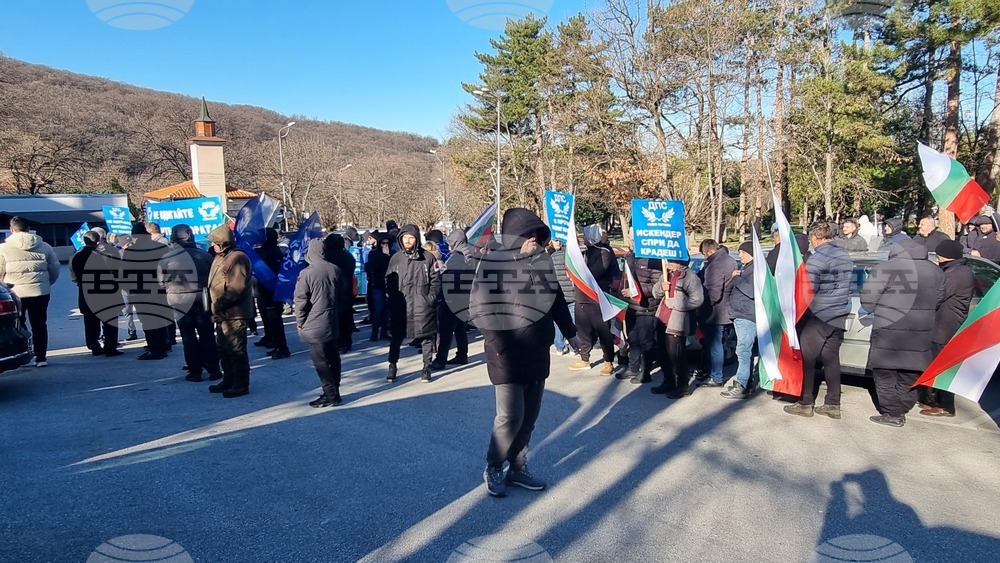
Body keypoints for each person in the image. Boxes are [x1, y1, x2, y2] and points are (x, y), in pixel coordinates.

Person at [470, 208, 579, 498]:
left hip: (537, 352)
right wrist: (499, 345)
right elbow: (479, 310)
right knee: (510, 417)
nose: (533, 239)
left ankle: (517, 467)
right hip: (506, 356)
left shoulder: (543, 262)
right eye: (527, 234)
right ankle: (494, 466)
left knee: (529, 417)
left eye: (537, 234)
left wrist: (572, 335)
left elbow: (556, 302)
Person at [861, 240, 944, 427]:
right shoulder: (936, 271)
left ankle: (893, 413)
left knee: (884, 373)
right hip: (921, 331)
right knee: (910, 373)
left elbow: (868, 300)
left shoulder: (886, 268)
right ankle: (903, 407)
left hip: (889, 331)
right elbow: (939, 299)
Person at [784, 222, 853, 419]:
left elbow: (807, 291)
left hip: (819, 316)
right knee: (831, 360)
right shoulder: (843, 255)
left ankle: (806, 403)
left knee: (808, 360)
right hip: (839, 312)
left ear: (815, 238)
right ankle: (833, 403)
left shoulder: (816, 260)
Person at [158, 224, 221, 382]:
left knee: (188, 337)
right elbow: (213, 279)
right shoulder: (205, 255)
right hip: (202, 298)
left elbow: (160, 283)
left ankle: (195, 371)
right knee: (207, 335)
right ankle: (214, 369)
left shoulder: (166, 258)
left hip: (178, 300)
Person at [919, 240, 975, 417]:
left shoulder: (956, 273)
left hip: (946, 326)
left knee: (943, 366)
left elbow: (938, 294)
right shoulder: (954, 270)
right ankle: (932, 398)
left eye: (939, 255)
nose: (937, 258)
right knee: (936, 363)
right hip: (943, 324)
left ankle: (946, 404)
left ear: (947, 256)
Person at [0, 217, 60, 367]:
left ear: (11, 229)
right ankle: (41, 357)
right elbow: (54, 268)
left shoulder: (3, 248)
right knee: (40, 324)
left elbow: (0, 270)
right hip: (40, 291)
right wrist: (47, 283)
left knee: (18, 323)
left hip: (14, 292)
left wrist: (4, 287)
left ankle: (25, 351)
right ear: (28, 228)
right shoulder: (45, 246)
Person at [386, 224, 440, 383]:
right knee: (396, 337)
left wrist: (430, 299)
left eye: (411, 237)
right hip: (401, 307)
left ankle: (426, 367)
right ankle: (392, 365)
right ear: (400, 239)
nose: (408, 241)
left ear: (417, 239)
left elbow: (436, 282)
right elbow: (388, 281)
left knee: (426, 337)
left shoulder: (428, 258)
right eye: (405, 237)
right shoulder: (396, 258)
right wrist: (393, 299)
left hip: (422, 305)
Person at [295, 239, 344, 408]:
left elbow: (301, 300)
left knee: (320, 361)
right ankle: (335, 390)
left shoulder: (307, 273)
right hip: (332, 318)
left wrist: (300, 321)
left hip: (315, 321)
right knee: (333, 357)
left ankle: (330, 394)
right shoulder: (335, 269)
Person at [206, 225, 254, 398]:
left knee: (236, 349)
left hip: (235, 312)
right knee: (224, 349)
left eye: (214, 243)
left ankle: (241, 384)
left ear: (222, 243)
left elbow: (236, 288)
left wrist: (219, 303)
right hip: (223, 312)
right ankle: (228, 379)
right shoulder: (222, 256)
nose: (212, 246)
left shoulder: (237, 258)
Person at [568, 224, 619, 375]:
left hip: (597, 299)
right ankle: (585, 359)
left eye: (585, 236)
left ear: (592, 237)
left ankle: (608, 360)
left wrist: (578, 269)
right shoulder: (583, 253)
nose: (583, 239)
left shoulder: (604, 253)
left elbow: (595, 273)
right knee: (583, 331)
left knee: (603, 331)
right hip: (581, 298)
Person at [650, 259, 704, 398]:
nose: (667, 261)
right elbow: (655, 293)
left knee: (677, 355)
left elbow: (697, 299)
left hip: (677, 322)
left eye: (670, 260)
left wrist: (674, 302)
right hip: (662, 319)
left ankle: (682, 386)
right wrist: (662, 288)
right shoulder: (666, 274)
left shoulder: (690, 277)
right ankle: (668, 381)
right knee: (662, 353)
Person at [70, 231, 122, 358]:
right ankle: (110, 347)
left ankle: (94, 346)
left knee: (90, 322)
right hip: (107, 291)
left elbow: (73, 276)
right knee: (109, 321)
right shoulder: (106, 255)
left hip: (86, 292)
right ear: (98, 241)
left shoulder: (77, 256)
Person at [124, 223, 172, 360]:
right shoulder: (161, 248)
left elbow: (126, 273)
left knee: (148, 321)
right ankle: (164, 344)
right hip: (160, 288)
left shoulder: (131, 251)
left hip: (141, 290)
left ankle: (155, 349)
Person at [618, 240, 662, 384]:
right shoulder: (630, 258)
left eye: (633, 238)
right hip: (631, 306)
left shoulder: (654, 261)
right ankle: (633, 367)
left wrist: (635, 292)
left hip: (646, 308)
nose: (630, 241)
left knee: (646, 342)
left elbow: (657, 287)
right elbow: (625, 280)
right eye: (630, 238)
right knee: (633, 339)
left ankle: (645, 372)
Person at [696, 239, 736, 387]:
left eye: (704, 254)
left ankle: (716, 377)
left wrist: (702, 305)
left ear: (710, 251)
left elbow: (714, 292)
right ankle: (712, 373)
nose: (705, 258)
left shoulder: (716, 265)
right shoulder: (729, 260)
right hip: (725, 309)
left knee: (715, 345)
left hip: (715, 312)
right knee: (716, 344)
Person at [432, 229, 471, 369]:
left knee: (446, 329)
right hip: (464, 297)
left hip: (453, 298)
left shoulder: (457, 257)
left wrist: (442, 269)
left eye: (450, 243)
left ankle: (440, 359)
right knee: (460, 327)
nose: (448, 246)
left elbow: (452, 278)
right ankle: (462, 354)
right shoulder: (468, 253)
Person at [721, 241, 756, 399]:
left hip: (747, 315)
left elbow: (751, 291)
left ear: (751, 254)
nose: (739, 255)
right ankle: (746, 382)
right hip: (740, 313)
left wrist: (736, 278)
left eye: (742, 252)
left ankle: (742, 384)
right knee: (744, 350)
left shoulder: (755, 270)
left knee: (743, 350)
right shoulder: (748, 268)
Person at [254, 227, 290, 359]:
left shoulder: (272, 252)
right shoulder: (267, 251)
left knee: (275, 320)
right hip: (265, 291)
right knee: (269, 320)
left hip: (271, 291)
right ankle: (274, 342)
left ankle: (282, 347)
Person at [324, 233, 357, 353]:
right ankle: (347, 341)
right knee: (346, 317)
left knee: (334, 319)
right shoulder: (348, 256)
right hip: (347, 289)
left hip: (332, 291)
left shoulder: (327, 257)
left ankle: (338, 341)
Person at [548, 239, 577, 355]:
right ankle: (573, 347)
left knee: (558, 321)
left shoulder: (550, 257)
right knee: (571, 319)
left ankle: (559, 346)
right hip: (570, 291)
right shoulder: (569, 256)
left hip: (559, 292)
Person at [364, 232, 391, 341]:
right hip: (377, 285)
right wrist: (385, 256)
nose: (385, 245)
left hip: (389, 285)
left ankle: (384, 332)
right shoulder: (373, 253)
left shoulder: (392, 253)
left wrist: (388, 256)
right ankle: (374, 332)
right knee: (378, 310)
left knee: (386, 311)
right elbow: (374, 266)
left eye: (387, 243)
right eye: (383, 243)